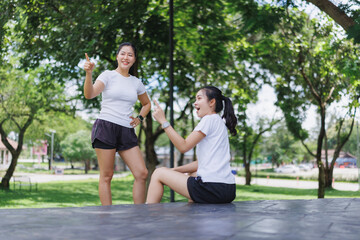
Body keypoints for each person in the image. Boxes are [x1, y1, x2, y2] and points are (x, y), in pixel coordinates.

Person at [83, 42, 151, 205]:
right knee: (107, 175)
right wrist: (89, 73)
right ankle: (107, 217)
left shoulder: (136, 82)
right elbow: (90, 94)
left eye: (130, 54)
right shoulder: (108, 75)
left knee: (141, 173)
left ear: (134, 59)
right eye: (123, 53)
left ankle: (139, 213)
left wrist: (139, 118)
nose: (126, 57)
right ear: (117, 56)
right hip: (106, 127)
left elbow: (147, 104)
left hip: (126, 130)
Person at [146, 86, 237, 204]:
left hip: (212, 188)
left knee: (158, 173)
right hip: (227, 190)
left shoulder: (209, 119)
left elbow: (183, 147)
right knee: (193, 174)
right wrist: (173, 171)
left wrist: (164, 122)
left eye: (199, 98)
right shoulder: (219, 122)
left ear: (212, 102)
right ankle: (195, 218)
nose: (195, 103)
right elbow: (201, 163)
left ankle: (147, 218)